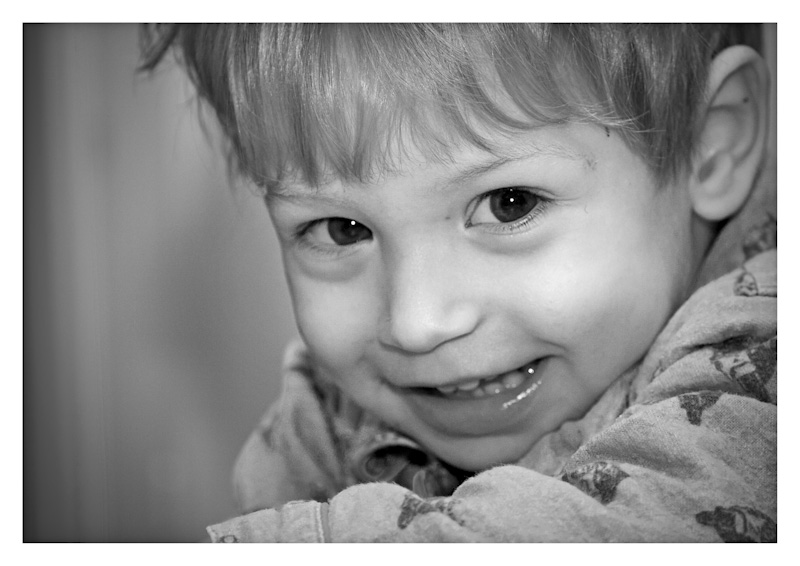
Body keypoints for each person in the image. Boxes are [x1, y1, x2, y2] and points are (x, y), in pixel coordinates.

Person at [140, 24, 776, 542]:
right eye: (342, 229)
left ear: (709, 147)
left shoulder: (766, 353)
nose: (417, 323)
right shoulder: (322, 420)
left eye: (508, 204)